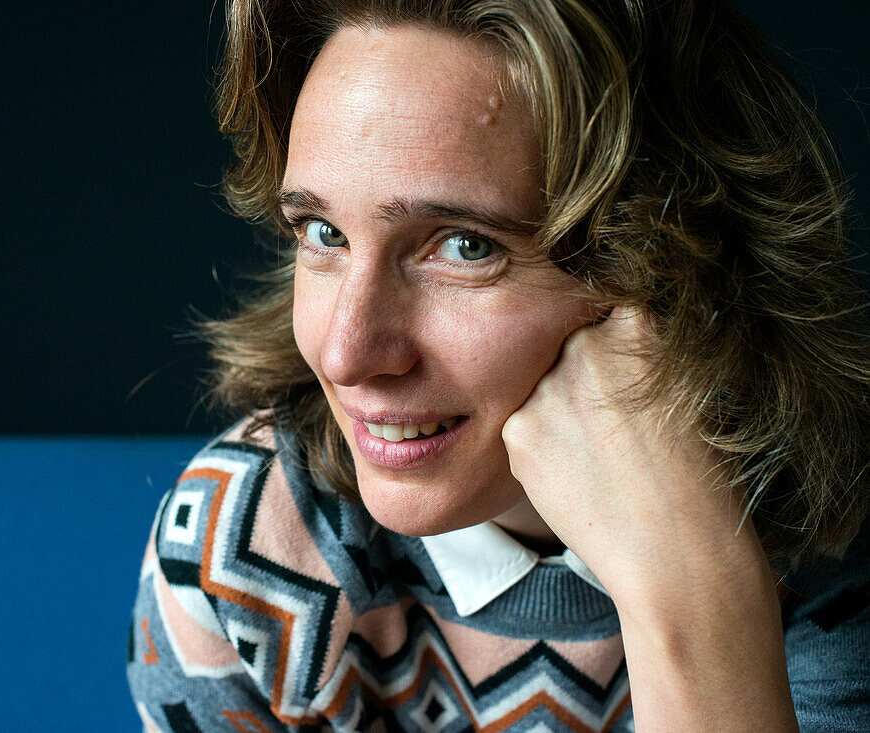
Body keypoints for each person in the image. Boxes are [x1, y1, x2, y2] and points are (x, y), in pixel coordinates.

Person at [128, 0, 870, 729]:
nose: (344, 352)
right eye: (322, 232)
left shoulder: (839, 556)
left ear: (676, 265)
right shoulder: (244, 549)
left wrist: (691, 597)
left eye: (464, 246)